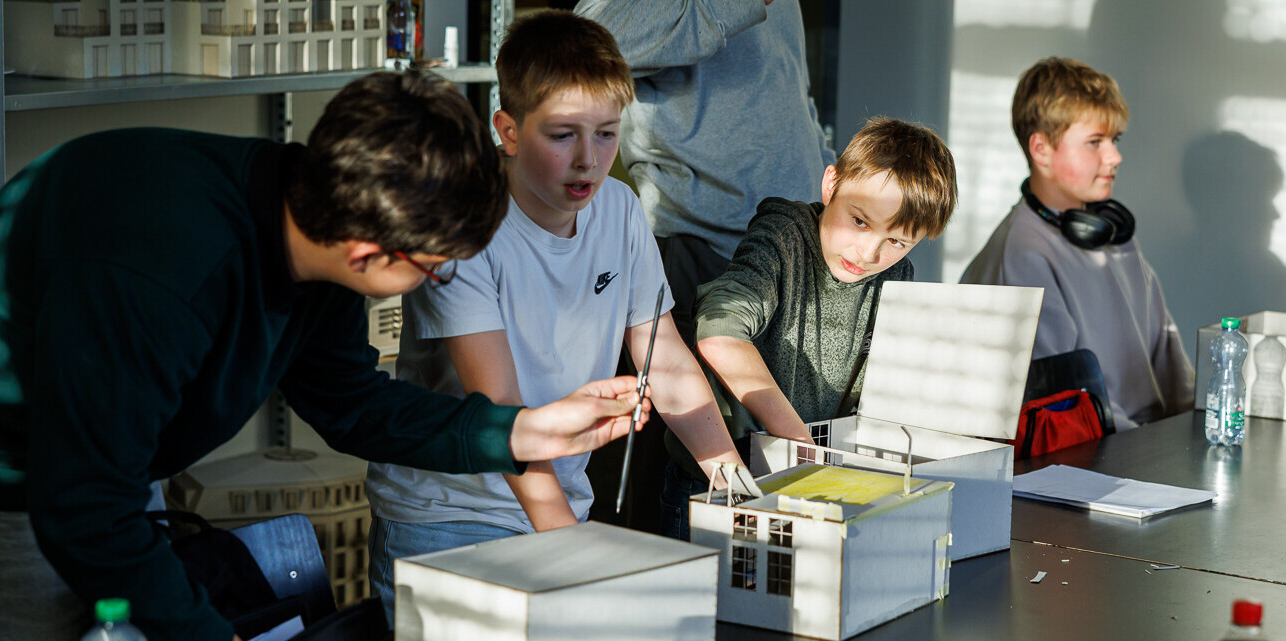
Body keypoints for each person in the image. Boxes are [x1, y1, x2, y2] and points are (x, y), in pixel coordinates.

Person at [0, 70, 650, 641]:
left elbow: (352, 404)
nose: (440, 277)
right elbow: (82, 510)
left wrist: (520, 431)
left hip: (94, 451)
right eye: (433, 262)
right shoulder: (164, 272)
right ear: (369, 249)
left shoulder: (316, 218)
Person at [365, 10, 744, 622]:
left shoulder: (619, 211)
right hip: (447, 520)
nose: (588, 160)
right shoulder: (466, 227)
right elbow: (499, 412)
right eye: (563, 135)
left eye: (606, 134)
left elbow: (664, 357)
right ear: (508, 131)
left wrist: (733, 482)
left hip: (559, 507)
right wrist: (576, 554)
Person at [574, 0, 837, 533]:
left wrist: (823, 167)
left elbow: (787, 84)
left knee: (761, 489)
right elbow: (591, 41)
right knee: (669, 489)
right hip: (696, 241)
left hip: (793, 241)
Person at [670, 117, 957, 540]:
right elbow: (720, 332)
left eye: (897, 241)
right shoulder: (782, 236)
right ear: (831, 185)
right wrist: (804, 446)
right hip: (715, 479)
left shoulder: (897, 279)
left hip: (812, 480)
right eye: (859, 221)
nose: (870, 252)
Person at [960, 56, 1194, 430]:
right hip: (1100, 454)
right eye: (1094, 142)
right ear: (1041, 151)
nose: (1114, 156)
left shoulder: (1113, 236)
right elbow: (1066, 406)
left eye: (1114, 140)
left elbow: (1170, 361)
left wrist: (1196, 424)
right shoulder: (1023, 254)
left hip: (1149, 445)